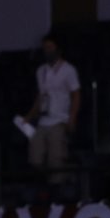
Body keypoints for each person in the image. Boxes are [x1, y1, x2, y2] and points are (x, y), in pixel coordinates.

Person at [22, 33, 80, 184]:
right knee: (35, 157)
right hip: (43, 120)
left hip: (59, 120)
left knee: (56, 158)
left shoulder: (69, 70)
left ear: (58, 49)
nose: (47, 50)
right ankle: (47, 181)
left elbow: (76, 95)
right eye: (44, 48)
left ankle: (58, 189)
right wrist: (29, 116)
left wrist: (72, 118)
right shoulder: (40, 71)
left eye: (50, 47)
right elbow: (40, 97)